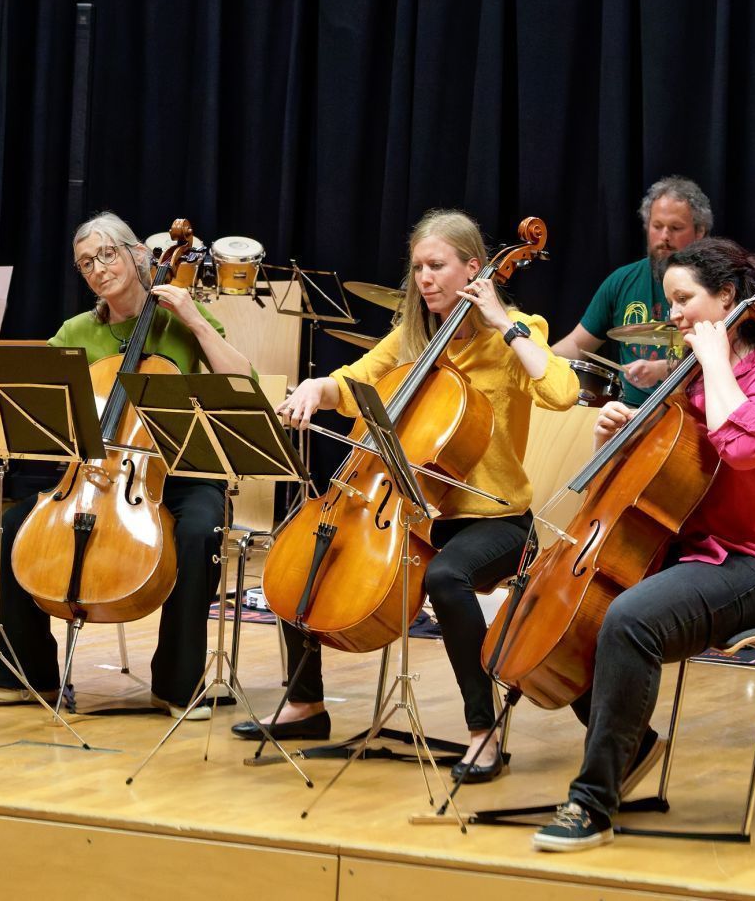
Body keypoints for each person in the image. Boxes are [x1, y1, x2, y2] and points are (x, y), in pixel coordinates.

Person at [238, 209, 581, 784]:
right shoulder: (413, 337)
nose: (424, 278)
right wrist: (315, 389)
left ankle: (483, 730)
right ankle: (304, 703)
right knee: (303, 545)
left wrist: (503, 321)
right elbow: (353, 381)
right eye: (418, 267)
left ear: (474, 268)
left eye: (437, 265)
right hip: (411, 511)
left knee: (447, 578)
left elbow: (562, 391)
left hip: (495, 519)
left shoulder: (518, 332)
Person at [535, 237, 755, 851]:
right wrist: (612, 440)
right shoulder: (691, 381)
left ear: (727, 298)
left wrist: (716, 361)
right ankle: (634, 745)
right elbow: (658, 479)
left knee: (630, 620)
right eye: (669, 302)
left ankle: (592, 803)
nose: (671, 315)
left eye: (683, 300)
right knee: (578, 612)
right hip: (701, 552)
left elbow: (744, 447)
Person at [0, 212, 253, 719]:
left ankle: (177, 682)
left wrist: (193, 318)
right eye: (86, 263)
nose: (99, 268)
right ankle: (24, 674)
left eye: (107, 254)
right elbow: (37, 400)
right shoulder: (78, 331)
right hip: (98, 473)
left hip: (181, 470)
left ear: (138, 255)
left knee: (199, 530)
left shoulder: (180, 318)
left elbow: (242, 384)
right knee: (16, 523)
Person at [550, 175, 712, 406]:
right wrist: (534, 357)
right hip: (628, 413)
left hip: (691, 414)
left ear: (700, 231)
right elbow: (577, 345)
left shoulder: (713, 286)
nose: (665, 237)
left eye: (676, 228)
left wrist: (662, 369)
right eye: (657, 226)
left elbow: (728, 359)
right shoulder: (622, 281)